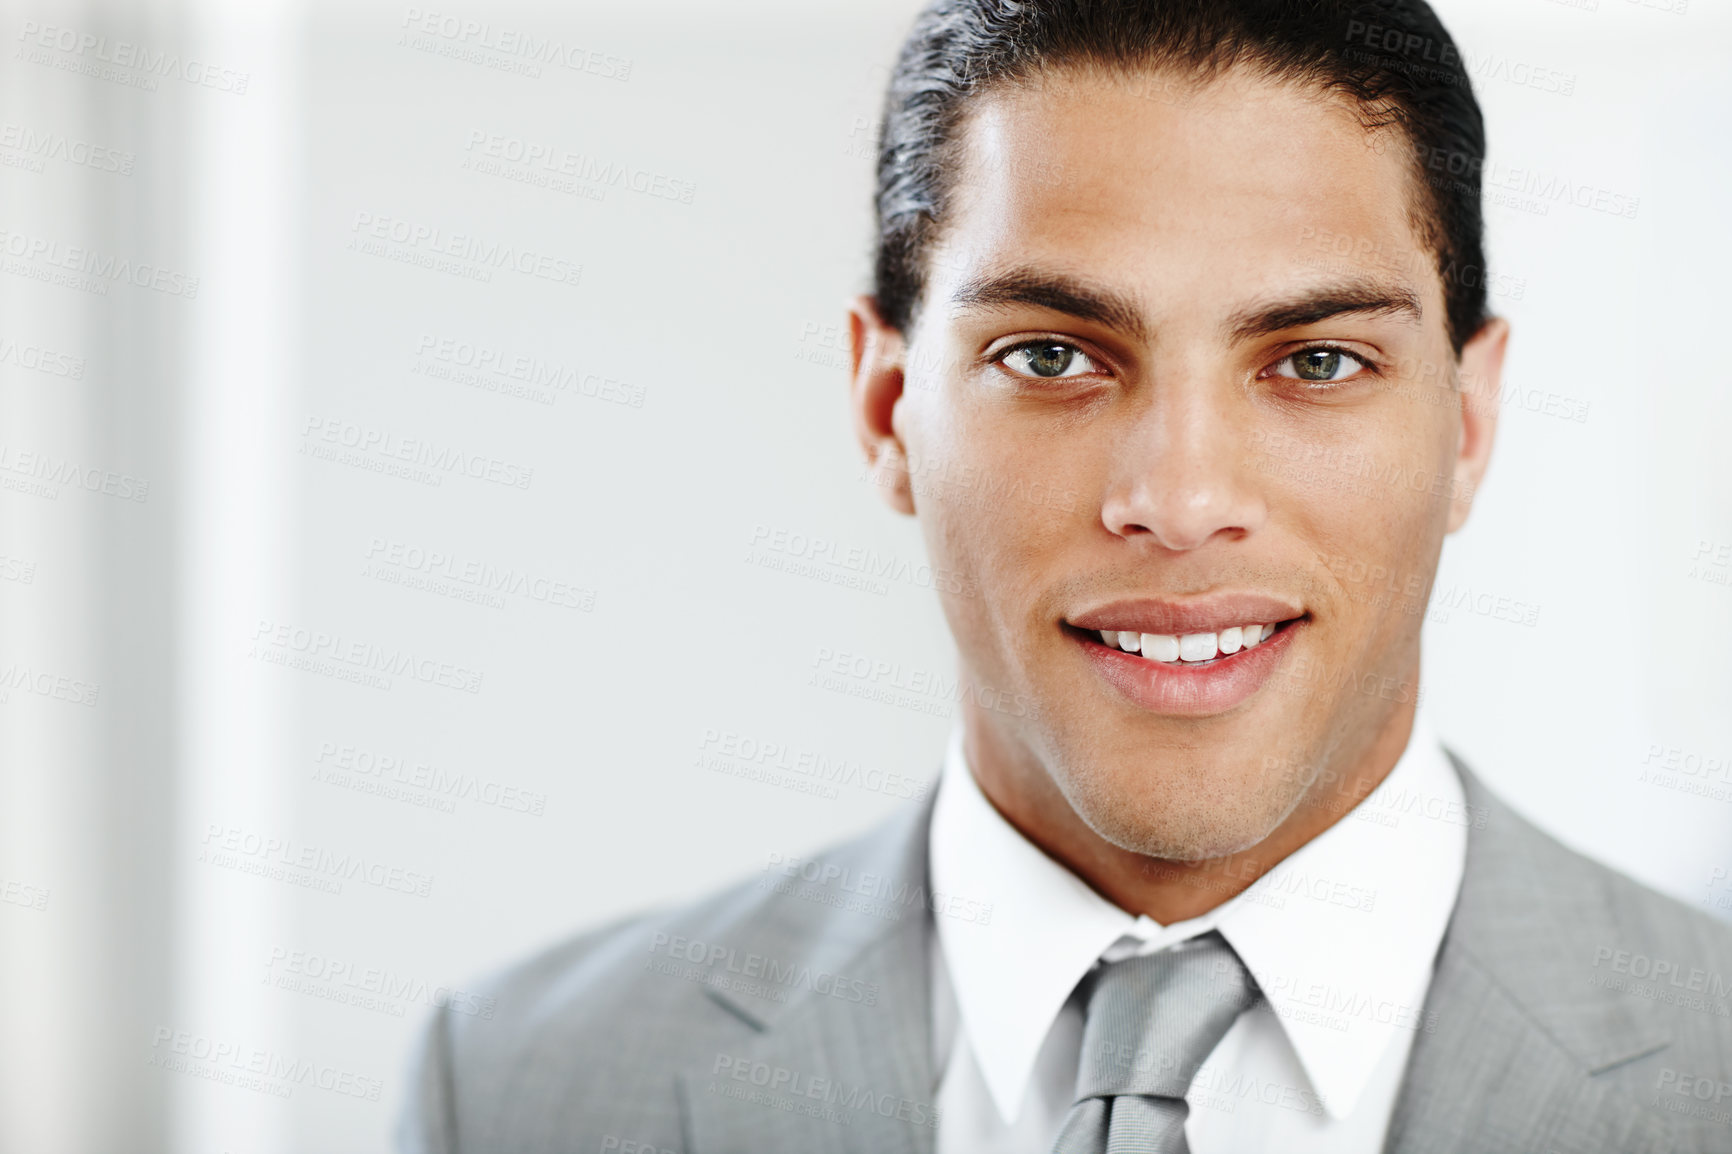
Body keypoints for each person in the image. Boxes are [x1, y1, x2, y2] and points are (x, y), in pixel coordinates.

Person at [398, 2, 1732, 1151]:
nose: (1181, 498)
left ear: (1468, 423)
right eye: (1052, 356)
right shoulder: (523, 1091)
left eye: (1315, 360)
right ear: (885, 408)